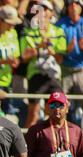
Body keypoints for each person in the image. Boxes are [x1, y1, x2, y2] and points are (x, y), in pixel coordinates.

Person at [20, 0, 67, 128]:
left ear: (51, 13)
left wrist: (53, 53)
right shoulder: (28, 31)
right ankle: (26, 146)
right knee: (33, 113)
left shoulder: (59, 32)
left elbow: (60, 59)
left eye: (46, 9)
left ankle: (55, 144)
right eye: (39, 9)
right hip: (35, 73)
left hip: (53, 75)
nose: (43, 13)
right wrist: (39, 47)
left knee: (58, 112)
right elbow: (24, 57)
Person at [56, 0, 83, 123]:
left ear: (81, 7)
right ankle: (62, 132)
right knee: (61, 103)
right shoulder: (60, 24)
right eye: (71, 4)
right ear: (67, 7)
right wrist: (67, 50)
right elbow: (57, 55)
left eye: (77, 3)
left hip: (82, 69)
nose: (74, 6)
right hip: (65, 69)